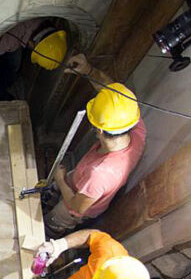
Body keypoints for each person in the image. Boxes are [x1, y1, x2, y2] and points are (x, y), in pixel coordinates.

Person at [45, 54, 148, 236]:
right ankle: (49, 197)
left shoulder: (100, 173)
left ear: (99, 131)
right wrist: (89, 71)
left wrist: (60, 180)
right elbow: (112, 97)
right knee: (55, 188)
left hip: (74, 206)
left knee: (53, 221)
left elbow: (77, 206)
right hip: (79, 179)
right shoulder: (135, 128)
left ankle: (48, 230)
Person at [0, 19, 69, 102]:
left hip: (17, 39)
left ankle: (6, 86)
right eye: (33, 49)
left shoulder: (42, 22)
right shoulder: (11, 38)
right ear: (32, 43)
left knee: (15, 64)